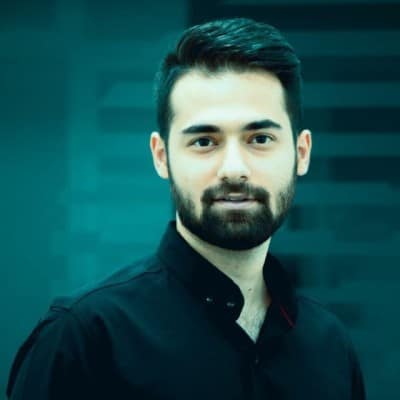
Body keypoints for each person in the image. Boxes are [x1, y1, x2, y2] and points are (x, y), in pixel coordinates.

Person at [6, 18, 366, 399]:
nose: (234, 169)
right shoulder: (83, 340)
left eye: (260, 138)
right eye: (204, 141)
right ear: (161, 157)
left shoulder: (331, 348)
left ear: (301, 152)